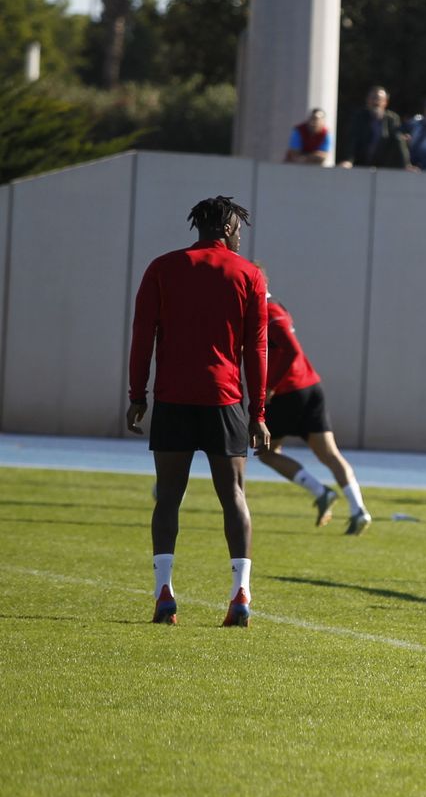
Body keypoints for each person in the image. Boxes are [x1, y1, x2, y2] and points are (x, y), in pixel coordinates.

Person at [126, 196, 269, 628]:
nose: (240, 236)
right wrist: (259, 412)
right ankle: (240, 593)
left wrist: (138, 394)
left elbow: (142, 334)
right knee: (234, 496)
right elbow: (256, 348)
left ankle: (164, 592)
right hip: (224, 400)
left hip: (173, 399)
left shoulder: (162, 268)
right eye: (238, 228)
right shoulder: (249, 274)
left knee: (168, 496)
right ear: (225, 228)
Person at [254, 272, 373, 535]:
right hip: (309, 386)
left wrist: (270, 385)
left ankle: (320, 492)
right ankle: (359, 509)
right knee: (329, 454)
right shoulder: (276, 307)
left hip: (289, 392)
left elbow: (291, 349)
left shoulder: (270, 312)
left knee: (265, 452)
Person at [337, 86, 410, 170]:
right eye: (372, 98)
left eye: (379, 99)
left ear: (385, 102)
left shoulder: (392, 119)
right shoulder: (359, 118)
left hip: (385, 167)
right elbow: (352, 140)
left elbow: (398, 140)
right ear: (367, 101)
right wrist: (348, 160)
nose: (375, 102)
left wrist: (406, 165)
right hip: (361, 165)